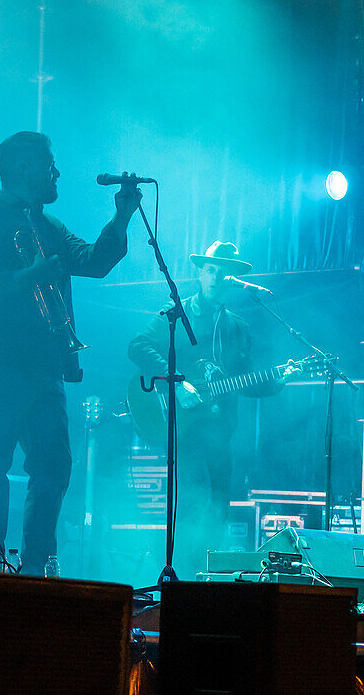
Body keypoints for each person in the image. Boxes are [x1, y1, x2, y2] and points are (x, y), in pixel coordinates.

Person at [0, 131, 140, 575]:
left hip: (46, 365)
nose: (56, 173)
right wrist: (26, 277)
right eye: (49, 165)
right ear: (24, 168)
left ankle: (37, 563)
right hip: (2, 362)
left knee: (54, 465)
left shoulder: (48, 225)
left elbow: (93, 261)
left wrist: (123, 216)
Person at [128, 240, 288, 577]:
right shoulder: (178, 313)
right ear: (201, 273)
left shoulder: (238, 328)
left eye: (223, 272)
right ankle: (180, 580)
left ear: (232, 279)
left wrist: (278, 380)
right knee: (193, 505)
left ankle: (205, 583)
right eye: (211, 270)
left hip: (220, 435)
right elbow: (138, 346)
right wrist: (175, 381)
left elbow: (245, 381)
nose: (216, 277)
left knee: (219, 510)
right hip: (185, 432)